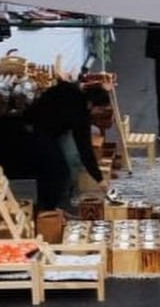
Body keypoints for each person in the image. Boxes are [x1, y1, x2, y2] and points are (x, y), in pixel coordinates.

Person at [23, 81, 112, 211]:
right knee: (58, 170)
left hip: (41, 123)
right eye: (99, 109)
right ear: (91, 104)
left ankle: (51, 205)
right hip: (37, 128)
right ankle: (49, 209)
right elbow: (84, 148)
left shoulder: (73, 91)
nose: (97, 113)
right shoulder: (80, 113)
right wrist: (99, 179)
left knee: (55, 168)